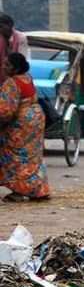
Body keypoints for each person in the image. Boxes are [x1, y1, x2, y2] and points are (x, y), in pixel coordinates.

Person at [0, 53, 50, 201]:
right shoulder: (27, 78)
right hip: (36, 118)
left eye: (7, 65)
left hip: (21, 124)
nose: (3, 67)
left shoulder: (11, 83)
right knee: (33, 156)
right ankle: (39, 189)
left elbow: (5, 110)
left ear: (15, 68)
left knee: (17, 157)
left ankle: (20, 191)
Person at [0, 13, 29, 84]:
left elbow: (21, 60)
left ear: (10, 25)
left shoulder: (20, 38)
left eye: (0, 26)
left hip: (15, 76)